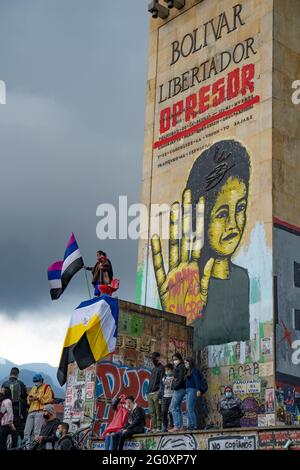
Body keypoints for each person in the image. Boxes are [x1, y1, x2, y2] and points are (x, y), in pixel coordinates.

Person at [151, 140, 251, 343]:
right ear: (201, 220)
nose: (233, 224)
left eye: (240, 208)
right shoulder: (186, 287)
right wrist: (182, 321)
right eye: (222, 214)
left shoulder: (242, 279)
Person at [24, 373, 55, 447]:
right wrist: (30, 399)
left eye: (37, 381)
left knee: (37, 431)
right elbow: (28, 399)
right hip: (31, 411)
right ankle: (27, 447)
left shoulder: (46, 387)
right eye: (35, 381)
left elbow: (49, 399)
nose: (36, 382)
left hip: (40, 411)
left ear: (41, 380)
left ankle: (36, 447)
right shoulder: (33, 388)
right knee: (26, 431)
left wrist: (38, 398)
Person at [2, 367, 27, 448]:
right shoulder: (21, 384)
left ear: (10, 373)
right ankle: (14, 448)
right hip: (17, 413)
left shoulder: (4, 384)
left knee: (3, 434)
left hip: (5, 414)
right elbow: (24, 397)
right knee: (15, 433)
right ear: (17, 374)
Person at [184, 357, 207, 431]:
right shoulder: (187, 371)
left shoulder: (194, 370)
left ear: (190, 363)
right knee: (188, 409)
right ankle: (190, 425)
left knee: (190, 408)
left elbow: (197, 381)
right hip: (187, 390)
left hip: (192, 390)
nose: (185, 364)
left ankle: (193, 425)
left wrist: (198, 390)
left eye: (186, 362)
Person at [147, 352, 165, 432]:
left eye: (153, 358)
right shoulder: (153, 369)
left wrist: (160, 393)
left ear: (158, 358)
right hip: (150, 393)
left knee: (158, 411)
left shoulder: (162, 368)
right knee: (152, 412)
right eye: (151, 358)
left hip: (156, 392)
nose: (152, 360)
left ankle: (158, 427)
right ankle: (154, 427)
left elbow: (162, 382)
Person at [169, 353, 186, 433]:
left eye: (175, 359)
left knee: (174, 407)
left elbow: (181, 378)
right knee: (178, 408)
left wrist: (175, 386)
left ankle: (177, 426)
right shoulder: (179, 366)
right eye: (173, 359)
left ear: (179, 358)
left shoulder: (181, 366)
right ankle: (180, 426)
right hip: (180, 388)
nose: (174, 361)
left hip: (179, 389)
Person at [159, 363, 174, 432]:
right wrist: (160, 397)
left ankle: (172, 425)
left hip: (172, 396)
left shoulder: (174, 377)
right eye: (166, 370)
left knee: (171, 412)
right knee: (163, 412)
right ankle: (164, 426)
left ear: (171, 370)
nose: (167, 371)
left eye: (168, 370)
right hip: (165, 397)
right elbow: (161, 388)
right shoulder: (163, 378)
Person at [0, 386, 15, 450]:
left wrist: (11, 423)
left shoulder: (8, 401)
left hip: (5, 423)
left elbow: (10, 412)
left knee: (2, 441)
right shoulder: (3, 400)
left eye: (2, 390)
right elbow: (2, 411)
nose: (0, 391)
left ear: (6, 392)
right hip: (2, 423)